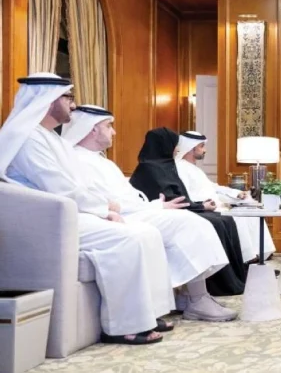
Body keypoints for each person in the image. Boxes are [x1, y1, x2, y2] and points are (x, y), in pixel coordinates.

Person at [0, 73, 169, 345]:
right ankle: (123, 326)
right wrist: (104, 210)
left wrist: (103, 206)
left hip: (70, 214)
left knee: (146, 232)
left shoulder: (50, 138)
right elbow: (58, 187)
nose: (73, 104)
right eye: (68, 97)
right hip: (47, 222)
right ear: (49, 100)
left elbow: (79, 185)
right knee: (127, 238)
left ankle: (147, 314)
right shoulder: (27, 138)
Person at [61, 105, 238, 322]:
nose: (113, 132)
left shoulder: (101, 161)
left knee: (191, 221)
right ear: (93, 129)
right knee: (187, 223)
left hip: (136, 210)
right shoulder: (76, 160)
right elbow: (107, 203)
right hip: (116, 217)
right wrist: (156, 207)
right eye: (109, 126)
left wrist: (156, 205)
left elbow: (127, 196)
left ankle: (191, 296)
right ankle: (197, 299)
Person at [129, 127, 247, 296]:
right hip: (165, 212)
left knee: (225, 220)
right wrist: (201, 207)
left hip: (182, 208)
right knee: (215, 222)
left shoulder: (166, 166)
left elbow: (181, 195)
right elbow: (172, 200)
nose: (177, 149)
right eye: (174, 145)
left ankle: (235, 278)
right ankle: (219, 284)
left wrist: (200, 206)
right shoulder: (149, 168)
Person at [175, 131, 275, 262]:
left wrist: (236, 193)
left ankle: (262, 255)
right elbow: (187, 195)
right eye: (201, 146)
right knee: (239, 218)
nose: (205, 150)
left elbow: (214, 187)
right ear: (191, 148)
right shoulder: (180, 168)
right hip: (205, 209)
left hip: (218, 206)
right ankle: (246, 260)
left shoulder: (195, 169)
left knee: (253, 214)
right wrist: (209, 203)